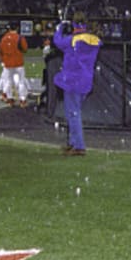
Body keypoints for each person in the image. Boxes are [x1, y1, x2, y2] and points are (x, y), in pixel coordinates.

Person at [53, 12, 101, 156]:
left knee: (73, 114)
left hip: (73, 81)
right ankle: (73, 143)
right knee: (74, 113)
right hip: (86, 80)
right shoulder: (95, 40)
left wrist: (60, 28)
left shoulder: (72, 40)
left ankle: (78, 145)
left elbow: (57, 41)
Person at [0, 21, 29, 108]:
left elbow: (0, 51)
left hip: (8, 64)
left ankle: (10, 99)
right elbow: (25, 49)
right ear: (17, 28)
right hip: (18, 63)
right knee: (21, 82)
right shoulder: (20, 38)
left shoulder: (4, 38)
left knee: (7, 82)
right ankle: (22, 100)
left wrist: (4, 59)